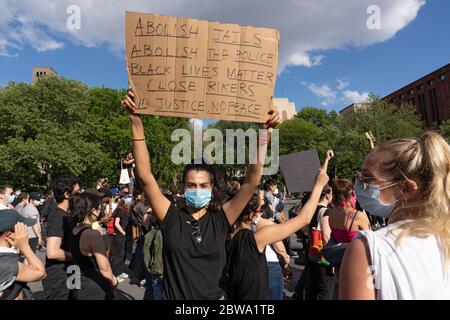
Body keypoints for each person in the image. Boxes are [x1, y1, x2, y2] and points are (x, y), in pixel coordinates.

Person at [122, 88, 280, 300]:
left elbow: (251, 181)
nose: (197, 190)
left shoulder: (222, 219)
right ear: (183, 187)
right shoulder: (171, 217)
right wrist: (135, 122)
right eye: (191, 185)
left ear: (212, 186)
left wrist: (264, 133)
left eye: (203, 185)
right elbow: (145, 176)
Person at [340, 132, 450, 300]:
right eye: (360, 177)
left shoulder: (367, 249)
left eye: (368, 178)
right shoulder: (444, 238)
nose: (360, 185)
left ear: (406, 189)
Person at [226, 168, 330, 300]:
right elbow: (304, 218)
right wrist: (319, 185)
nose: (264, 211)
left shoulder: (224, 232)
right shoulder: (256, 239)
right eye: (263, 208)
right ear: (253, 213)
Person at [69, 191, 118, 300]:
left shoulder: (74, 230)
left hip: (78, 281)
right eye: (99, 209)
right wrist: (114, 282)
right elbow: (104, 267)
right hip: (94, 285)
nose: (100, 212)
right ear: (93, 211)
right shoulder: (92, 234)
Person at [0, 209, 46, 300]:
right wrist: (25, 246)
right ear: (9, 233)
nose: (26, 232)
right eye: (21, 228)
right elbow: (41, 273)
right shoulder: (8, 263)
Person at [42, 176, 76, 300]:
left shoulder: (67, 215)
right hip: (59, 279)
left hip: (71, 272)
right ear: (67, 194)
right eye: (77, 193)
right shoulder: (57, 217)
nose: (79, 196)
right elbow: (52, 252)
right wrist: (78, 255)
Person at [109, 197, 129, 283]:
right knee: (117, 254)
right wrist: (123, 232)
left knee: (120, 253)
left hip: (121, 235)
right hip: (119, 235)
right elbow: (117, 223)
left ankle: (119, 272)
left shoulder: (121, 209)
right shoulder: (120, 210)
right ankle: (114, 274)